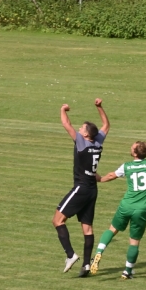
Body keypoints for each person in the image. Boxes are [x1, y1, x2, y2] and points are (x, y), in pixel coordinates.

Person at [89, 142, 146, 279]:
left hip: (126, 205)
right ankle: (127, 271)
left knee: (112, 229)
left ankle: (99, 252)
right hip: (141, 209)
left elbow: (112, 175)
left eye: (132, 147)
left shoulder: (127, 166)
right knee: (134, 241)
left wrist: (99, 179)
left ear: (135, 153)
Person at [52, 99, 110, 276]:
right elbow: (106, 125)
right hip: (92, 190)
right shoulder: (97, 143)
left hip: (81, 188)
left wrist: (63, 109)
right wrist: (99, 107)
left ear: (86, 135)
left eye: (82, 128)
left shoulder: (81, 143)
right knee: (87, 228)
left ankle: (70, 255)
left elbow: (66, 124)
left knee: (57, 220)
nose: (79, 129)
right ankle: (86, 265)